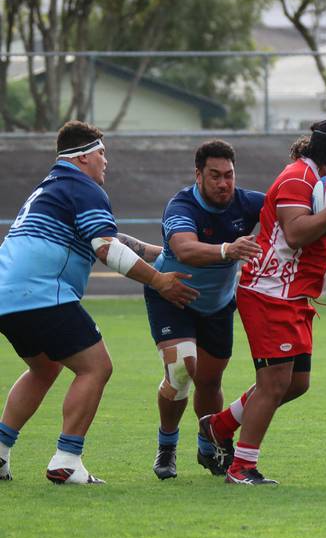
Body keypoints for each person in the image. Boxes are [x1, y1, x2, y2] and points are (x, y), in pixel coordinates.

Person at [0, 120, 197, 484]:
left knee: (44, 368)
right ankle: (66, 460)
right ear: (83, 157)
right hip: (41, 292)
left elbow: (113, 239)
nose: (106, 161)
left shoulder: (54, 186)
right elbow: (106, 249)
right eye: (102, 153)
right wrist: (159, 281)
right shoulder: (83, 187)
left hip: (7, 297)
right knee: (96, 367)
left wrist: (168, 256)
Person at [199, 120, 326, 485]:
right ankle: (241, 467)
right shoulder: (298, 178)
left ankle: (219, 425)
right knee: (273, 384)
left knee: (296, 383)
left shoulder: (320, 178)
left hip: (292, 293)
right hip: (270, 292)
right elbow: (296, 232)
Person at [146, 140, 264, 480]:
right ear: (198, 175)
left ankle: (208, 445)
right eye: (215, 175)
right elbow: (185, 249)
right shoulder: (181, 205)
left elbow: (291, 207)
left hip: (217, 305)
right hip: (173, 298)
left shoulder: (246, 202)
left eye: (229, 175)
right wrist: (228, 250)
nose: (224, 183)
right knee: (182, 368)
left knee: (210, 381)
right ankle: (167, 445)